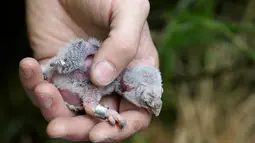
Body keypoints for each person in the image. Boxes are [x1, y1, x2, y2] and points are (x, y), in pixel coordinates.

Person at [19, 0, 159, 142]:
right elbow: (86, 48)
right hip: (55, 66)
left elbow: (90, 106)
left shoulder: (100, 88)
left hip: (54, 75)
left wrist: (107, 112)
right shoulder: (99, 61)